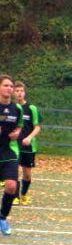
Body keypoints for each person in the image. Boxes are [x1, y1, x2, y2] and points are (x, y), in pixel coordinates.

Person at [0, 75, 23, 236]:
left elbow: (19, 126)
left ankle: (2, 217)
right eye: (6, 85)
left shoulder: (17, 109)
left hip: (8, 150)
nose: (9, 88)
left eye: (11, 86)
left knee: (11, 186)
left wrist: (17, 133)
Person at [13, 81, 40, 206]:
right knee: (13, 171)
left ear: (25, 93)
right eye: (17, 91)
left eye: (21, 91)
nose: (19, 93)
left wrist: (29, 138)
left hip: (28, 147)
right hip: (13, 146)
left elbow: (37, 127)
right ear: (13, 93)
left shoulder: (31, 108)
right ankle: (15, 196)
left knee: (27, 175)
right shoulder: (11, 108)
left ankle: (24, 194)